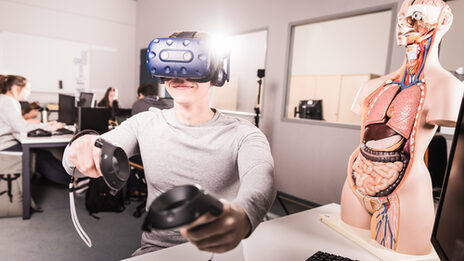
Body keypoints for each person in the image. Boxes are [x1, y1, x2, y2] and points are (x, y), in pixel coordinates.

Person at [62, 31, 275, 256]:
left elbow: (262, 178)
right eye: (170, 64)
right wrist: (80, 146)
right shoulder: (144, 124)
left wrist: (242, 214)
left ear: (216, 73)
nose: (180, 75)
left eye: (193, 64)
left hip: (222, 252)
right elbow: (75, 161)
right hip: (157, 251)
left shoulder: (243, 133)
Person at [340, 0, 464, 255]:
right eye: (401, 17)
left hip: (405, 193)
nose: (403, 23)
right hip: (355, 185)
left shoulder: (447, 87)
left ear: (443, 22)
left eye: (415, 16)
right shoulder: (373, 87)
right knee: (344, 249)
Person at [0, 75, 71, 185]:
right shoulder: (9, 102)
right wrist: (50, 127)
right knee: (40, 157)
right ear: (16, 89)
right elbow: (22, 128)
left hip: (5, 143)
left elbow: (18, 124)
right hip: (5, 146)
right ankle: (72, 181)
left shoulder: (4, 99)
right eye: (27, 89)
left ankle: (68, 178)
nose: (28, 93)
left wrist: (45, 125)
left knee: (43, 154)